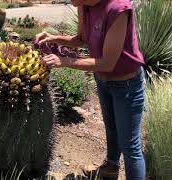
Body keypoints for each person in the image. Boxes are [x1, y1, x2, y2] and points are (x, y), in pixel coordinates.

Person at [35, 0, 145, 179]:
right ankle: (111, 167)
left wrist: (64, 61)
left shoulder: (118, 8)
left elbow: (108, 63)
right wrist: (52, 37)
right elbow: (81, 40)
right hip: (102, 79)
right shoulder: (84, 4)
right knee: (111, 129)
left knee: (130, 147)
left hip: (126, 84)